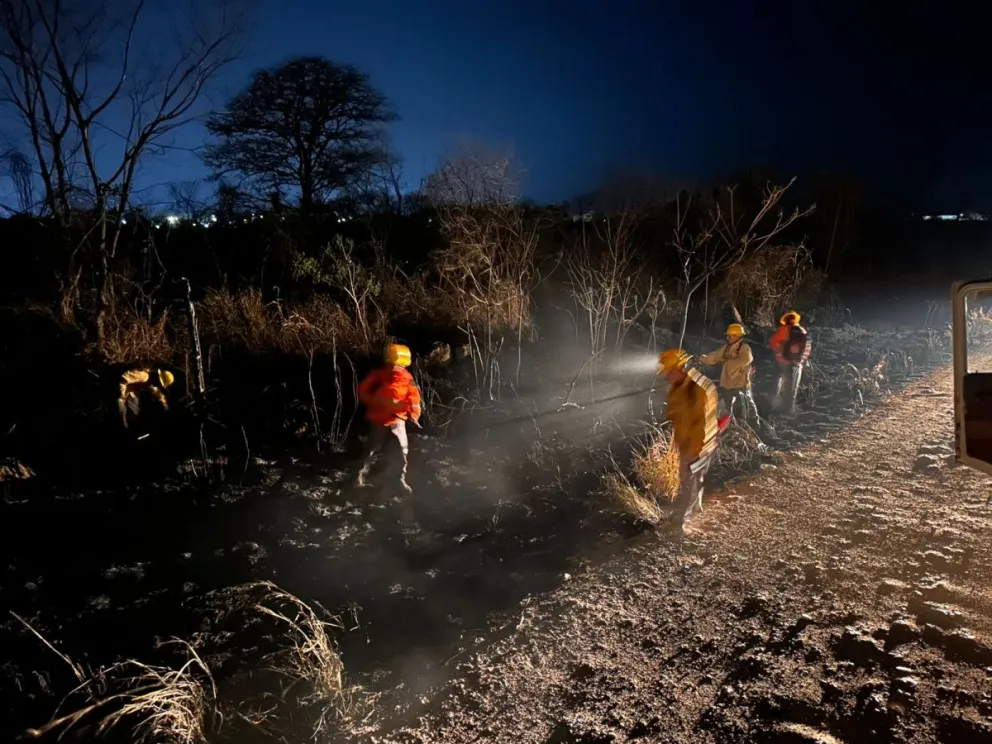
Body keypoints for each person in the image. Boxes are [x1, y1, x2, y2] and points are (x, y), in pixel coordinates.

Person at [658, 348, 720, 531]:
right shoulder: (680, 385)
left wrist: (695, 451)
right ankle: (694, 509)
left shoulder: (697, 389)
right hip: (687, 440)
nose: (666, 375)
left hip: (700, 442)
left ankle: (682, 520)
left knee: (690, 480)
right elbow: (676, 412)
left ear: (681, 367)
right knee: (692, 478)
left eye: (669, 371)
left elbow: (702, 424)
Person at [356, 343, 422, 493]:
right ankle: (359, 477)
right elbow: (363, 390)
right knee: (375, 451)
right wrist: (375, 402)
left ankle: (398, 480)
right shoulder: (381, 375)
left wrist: (413, 414)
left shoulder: (406, 378)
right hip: (382, 420)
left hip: (395, 421)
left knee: (399, 451)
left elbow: (414, 398)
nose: (395, 368)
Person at [698, 323, 760, 425]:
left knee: (747, 407)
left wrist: (728, 362)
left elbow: (745, 359)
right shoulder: (727, 348)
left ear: (737, 336)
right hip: (727, 384)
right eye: (728, 336)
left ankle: (754, 426)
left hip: (740, 385)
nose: (728, 338)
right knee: (728, 408)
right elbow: (715, 356)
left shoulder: (745, 348)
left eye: (731, 336)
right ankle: (733, 427)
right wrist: (701, 358)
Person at [769, 311, 812, 414]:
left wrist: (779, 354)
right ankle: (788, 410)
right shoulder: (803, 331)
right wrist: (801, 360)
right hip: (797, 364)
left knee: (777, 383)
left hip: (782, 362)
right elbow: (808, 348)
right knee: (792, 388)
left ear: (786, 320)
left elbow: (773, 342)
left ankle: (773, 406)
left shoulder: (784, 329)